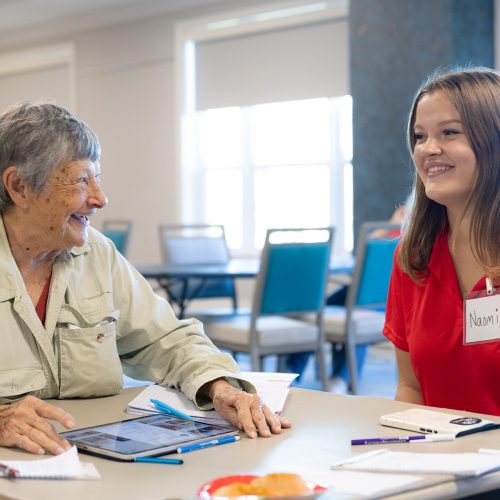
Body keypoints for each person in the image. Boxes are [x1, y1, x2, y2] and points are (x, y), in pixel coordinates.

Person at [0, 102, 290, 456]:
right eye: (80, 180)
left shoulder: (98, 255)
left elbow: (166, 339)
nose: (100, 198)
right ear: (20, 186)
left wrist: (219, 385)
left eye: (98, 178)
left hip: (92, 464)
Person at [383, 67, 500, 415]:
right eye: (420, 137)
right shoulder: (413, 257)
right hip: (441, 462)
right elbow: (410, 387)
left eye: (449, 132)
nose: (428, 149)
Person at [286, 201, 408, 392]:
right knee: (320, 306)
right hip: (375, 296)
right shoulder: (396, 238)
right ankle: (336, 378)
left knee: (328, 311)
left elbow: (363, 251)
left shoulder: (403, 238)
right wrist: (392, 224)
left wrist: (392, 224)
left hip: (378, 301)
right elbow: (364, 254)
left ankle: (302, 371)